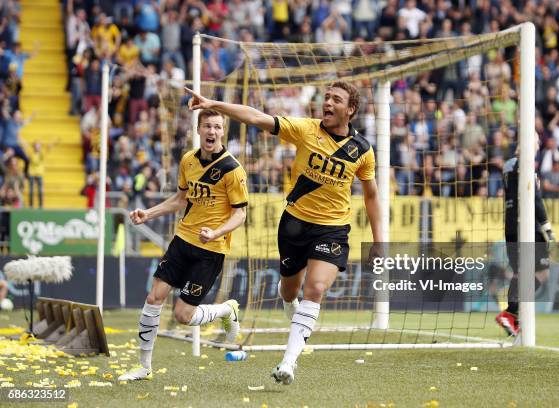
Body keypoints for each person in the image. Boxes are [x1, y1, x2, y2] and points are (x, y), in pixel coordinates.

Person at [185, 80, 383, 385]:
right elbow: (255, 117)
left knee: (315, 289)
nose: (327, 103)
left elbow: (371, 196)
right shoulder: (305, 129)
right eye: (326, 97)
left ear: (351, 110)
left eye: (336, 100)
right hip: (293, 225)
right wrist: (213, 104)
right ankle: (291, 306)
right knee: (290, 291)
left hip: (332, 231)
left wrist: (380, 242)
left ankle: (288, 363)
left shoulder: (363, 151)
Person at [118, 109, 249, 381]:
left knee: (182, 315)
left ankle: (227, 310)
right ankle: (144, 366)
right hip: (182, 240)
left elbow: (241, 213)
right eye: (207, 127)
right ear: (198, 130)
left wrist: (216, 232)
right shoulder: (188, 159)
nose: (211, 132)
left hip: (211, 250)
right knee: (154, 297)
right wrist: (148, 214)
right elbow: (180, 200)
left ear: (222, 132)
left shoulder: (232, 169)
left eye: (216, 127)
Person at [496, 138, 555, 336]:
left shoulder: (510, 166)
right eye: (536, 141)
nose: (538, 145)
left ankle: (511, 315)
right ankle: (511, 313)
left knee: (523, 271)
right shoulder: (521, 165)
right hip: (525, 224)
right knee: (537, 271)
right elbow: (535, 199)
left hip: (512, 224)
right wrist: (547, 227)